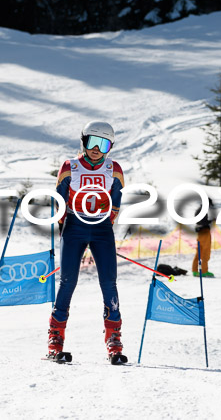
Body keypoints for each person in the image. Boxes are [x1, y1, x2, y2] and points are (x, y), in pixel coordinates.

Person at [47, 121, 127, 364]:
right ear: (83, 141)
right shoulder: (70, 167)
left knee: (109, 283)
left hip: (101, 228)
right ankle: (55, 339)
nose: (96, 149)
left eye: (103, 144)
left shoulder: (114, 168)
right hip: (75, 227)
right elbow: (59, 202)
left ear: (109, 147)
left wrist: (103, 223)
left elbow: (115, 203)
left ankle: (114, 340)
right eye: (92, 142)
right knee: (68, 282)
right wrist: (66, 226)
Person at [192, 200, 215, 278]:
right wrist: (211, 221)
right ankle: (204, 271)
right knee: (205, 252)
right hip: (204, 232)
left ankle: (195, 270)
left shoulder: (198, 209)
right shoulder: (202, 210)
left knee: (199, 252)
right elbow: (203, 222)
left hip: (200, 233)